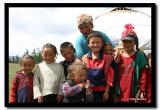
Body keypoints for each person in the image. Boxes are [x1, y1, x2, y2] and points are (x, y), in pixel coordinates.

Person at [115, 24, 148, 102]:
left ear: (135, 42)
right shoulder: (118, 56)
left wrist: (142, 90)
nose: (127, 44)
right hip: (119, 91)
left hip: (134, 91)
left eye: (129, 41)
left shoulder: (139, 55)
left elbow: (143, 74)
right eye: (124, 41)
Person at [81, 31, 114, 103]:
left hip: (103, 92)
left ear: (102, 44)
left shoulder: (108, 58)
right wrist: (86, 89)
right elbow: (83, 76)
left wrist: (106, 92)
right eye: (92, 42)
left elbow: (110, 77)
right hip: (89, 92)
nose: (95, 45)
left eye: (98, 42)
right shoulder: (84, 58)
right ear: (88, 44)